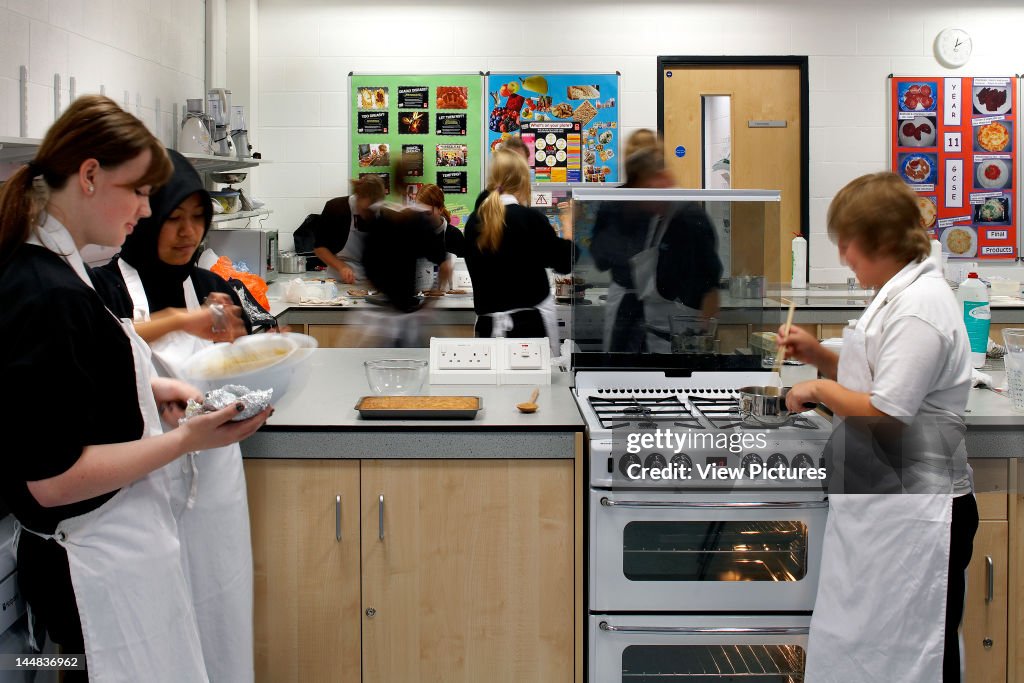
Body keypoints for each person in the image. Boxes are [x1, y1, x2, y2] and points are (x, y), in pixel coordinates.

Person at [0, 95, 270, 682]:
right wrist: (186, 441)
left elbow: (73, 391)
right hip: (88, 569)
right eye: (141, 192)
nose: (148, 213)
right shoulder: (46, 291)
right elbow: (52, 480)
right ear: (90, 176)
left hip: (115, 555)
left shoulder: (62, 269)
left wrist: (152, 394)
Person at [778, 172, 977, 682]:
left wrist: (816, 389)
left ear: (881, 241)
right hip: (885, 502)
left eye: (848, 242)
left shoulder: (921, 307)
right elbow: (880, 372)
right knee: (873, 647)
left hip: (919, 511)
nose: (843, 255)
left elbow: (887, 409)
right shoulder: (899, 293)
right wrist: (819, 355)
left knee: (919, 650)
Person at [96, 149, 256, 682]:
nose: (188, 233)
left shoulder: (217, 288)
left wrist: (257, 352)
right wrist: (173, 322)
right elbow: (99, 350)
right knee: (152, 635)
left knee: (219, 609)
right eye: (174, 218)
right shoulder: (105, 287)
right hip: (141, 487)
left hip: (214, 487)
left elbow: (255, 351)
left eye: (198, 218)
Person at [463, 149, 574, 353]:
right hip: (528, 332)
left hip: (487, 331)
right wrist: (568, 225)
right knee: (534, 385)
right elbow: (565, 262)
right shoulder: (530, 219)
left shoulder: (473, 222)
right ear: (524, 181)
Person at [312, 175, 386, 284]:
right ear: (358, 197)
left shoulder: (384, 214)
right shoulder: (336, 208)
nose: (369, 214)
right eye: (366, 210)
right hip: (339, 279)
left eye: (373, 210)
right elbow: (319, 248)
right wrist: (341, 267)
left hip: (373, 283)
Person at [416, 183, 466, 291]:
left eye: (428, 213)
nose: (423, 218)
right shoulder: (413, 235)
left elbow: (464, 273)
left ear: (440, 209)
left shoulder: (455, 236)